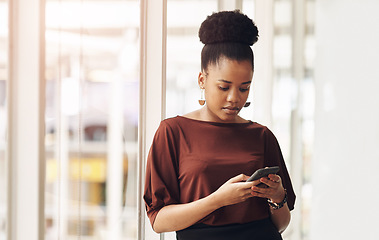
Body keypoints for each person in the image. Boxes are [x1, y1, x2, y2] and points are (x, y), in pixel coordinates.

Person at [144, 10, 296, 240]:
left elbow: (281, 225)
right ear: (202, 80)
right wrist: (218, 200)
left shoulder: (262, 136)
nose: (234, 98)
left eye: (244, 88)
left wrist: (277, 198)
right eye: (224, 87)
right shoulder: (172, 132)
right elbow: (158, 221)